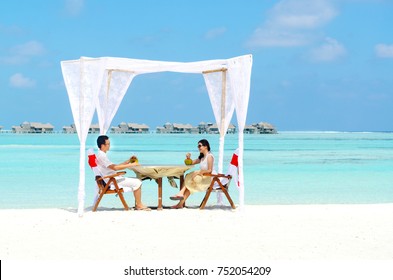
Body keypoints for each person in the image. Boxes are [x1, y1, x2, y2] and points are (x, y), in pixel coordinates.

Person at [96, 135, 151, 211]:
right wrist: (131, 165)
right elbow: (115, 168)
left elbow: (114, 166)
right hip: (111, 181)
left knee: (136, 180)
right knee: (138, 181)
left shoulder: (101, 155)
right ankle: (139, 204)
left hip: (111, 179)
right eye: (108, 144)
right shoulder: (102, 156)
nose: (109, 146)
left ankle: (138, 204)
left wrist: (126, 162)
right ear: (102, 145)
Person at [170, 139, 215, 209]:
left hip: (208, 179)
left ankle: (181, 193)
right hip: (203, 177)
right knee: (189, 179)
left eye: (200, 146)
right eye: (198, 146)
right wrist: (188, 158)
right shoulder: (202, 157)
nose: (198, 147)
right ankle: (180, 204)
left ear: (206, 146)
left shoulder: (209, 156)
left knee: (191, 177)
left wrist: (199, 172)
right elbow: (190, 163)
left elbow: (210, 170)